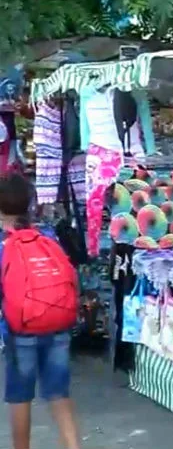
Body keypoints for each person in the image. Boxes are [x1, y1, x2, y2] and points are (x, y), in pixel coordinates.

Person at [0, 174, 81, 449]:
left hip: (20, 329)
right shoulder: (48, 236)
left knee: (20, 395)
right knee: (58, 391)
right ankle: (73, 445)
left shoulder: (2, 244)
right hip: (58, 323)